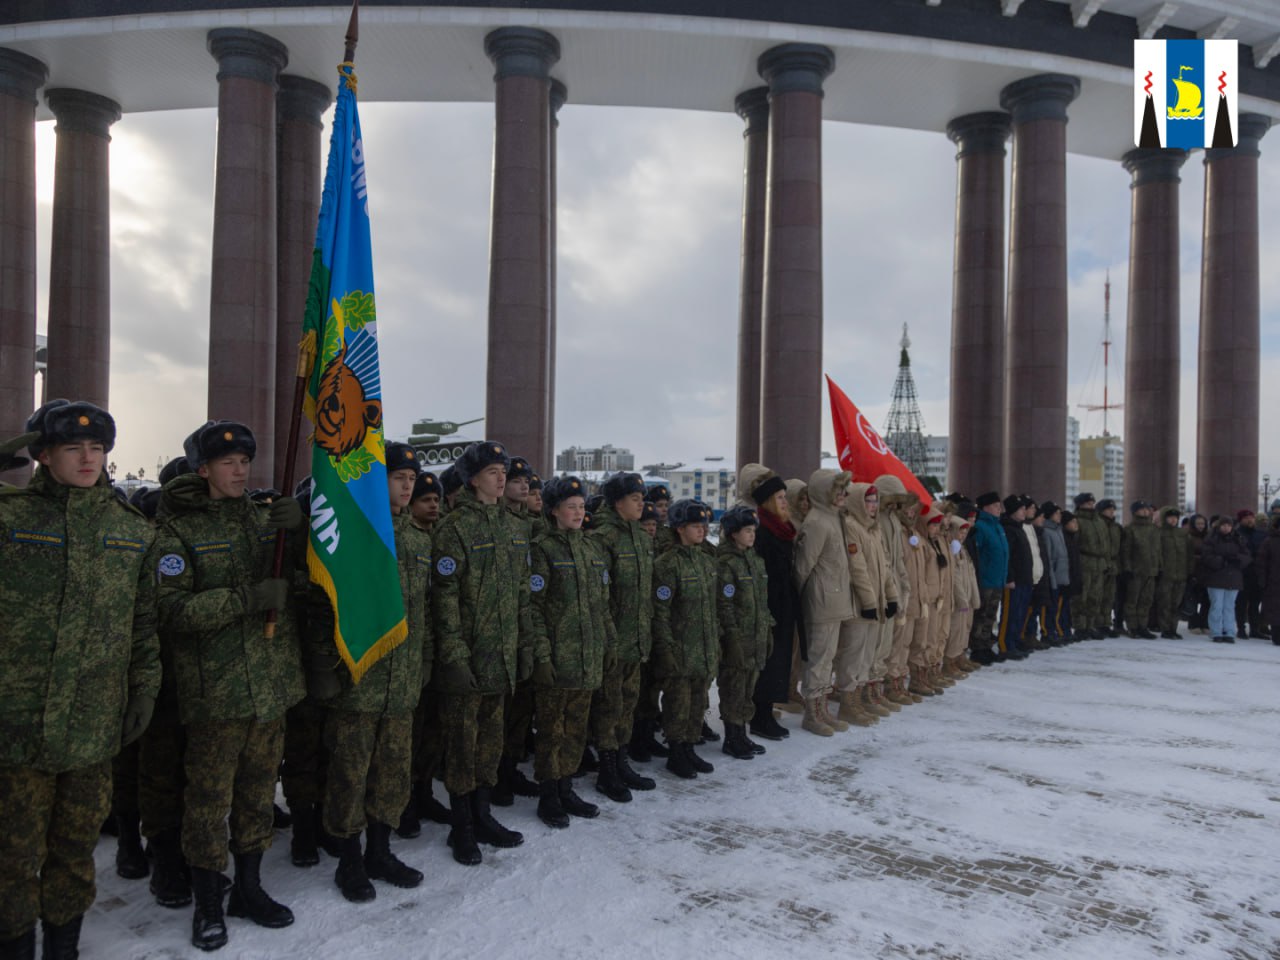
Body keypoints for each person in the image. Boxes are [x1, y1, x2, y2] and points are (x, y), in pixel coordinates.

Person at [0, 401, 160, 960]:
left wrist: (143, 688)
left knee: (74, 849)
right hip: (16, 722)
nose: (89, 458)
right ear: (42, 455)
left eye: (98, 448)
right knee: (11, 856)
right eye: (73, 448)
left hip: (93, 725)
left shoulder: (129, 531)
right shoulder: (11, 519)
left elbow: (143, 622)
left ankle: (62, 948)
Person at [155, 420, 307, 950]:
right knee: (207, 803)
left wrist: (301, 536)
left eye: (245, 461)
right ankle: (206, 902)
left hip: (269, 686)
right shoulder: (178, 532)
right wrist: (246, 598)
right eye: (228, 463)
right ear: (203, 469)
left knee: (259, 795)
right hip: (216, 693)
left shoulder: (266, 521)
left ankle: (249, 887)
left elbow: (302, 588)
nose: (240, 470)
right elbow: (171, 611)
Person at [310, 441, 431, 902]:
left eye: (410, 479)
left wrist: (425, 663)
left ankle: (381, 850)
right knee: (350, 773)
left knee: (393, 772)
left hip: (401, 682)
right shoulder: (352, 537)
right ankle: (350, 860)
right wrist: (325, 665)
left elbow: (426, 613)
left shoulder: (420, 538)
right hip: (360, 680)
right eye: (398, 478)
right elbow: (325, 607)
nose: (407, 486)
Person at [429, 441, 532, 866]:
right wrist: (453, 656)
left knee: (491, 742)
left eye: (503, 470)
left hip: (503, 657)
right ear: (472, 480)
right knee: (462, 744)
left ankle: (483, 814)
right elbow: (444, 598)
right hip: (469, 659)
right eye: (492, 471)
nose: (501, 477)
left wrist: (524, 645)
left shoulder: (514, 527)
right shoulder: (453, 530)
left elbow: (523, 593)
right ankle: (462, 827)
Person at [528, 476, 613, 828]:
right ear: (554, 511)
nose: (578, 513)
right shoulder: (543, 549)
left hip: (588, 656)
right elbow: (533, 609)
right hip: (558, 659)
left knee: (577, 727)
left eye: (581, 506)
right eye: (570, 507)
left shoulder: (591, 549)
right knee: (552, 729)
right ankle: (549, 793)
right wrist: (543, 656)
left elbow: (603, 603)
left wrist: (608, 641)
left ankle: (567, 786)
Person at [587, 472, 657, 800]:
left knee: (628, 704)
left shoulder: (641, 538)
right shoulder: (603, 538)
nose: (642, 503)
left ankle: (622, 761)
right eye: (635, 498)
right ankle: (607, 768)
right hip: (613, 640)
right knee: (609, 706)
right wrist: (608, 638)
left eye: (642, 498)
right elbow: (598, 596)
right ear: (617, 503)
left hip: (637, 638)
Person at [651, 499, 721, 777]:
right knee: (677, 703)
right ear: (680, 529)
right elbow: (660, 611)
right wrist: (666, 648)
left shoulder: (706, 562)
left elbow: (711, 607)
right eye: (695, 525)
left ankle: (690, 746)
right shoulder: (667, 564)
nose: (702, 530)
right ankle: (676, 751)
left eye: (704, 525)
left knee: (698, 702)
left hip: (702, 647)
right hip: (680, 647)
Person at [490, 455, 541, 808]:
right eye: (516, 480)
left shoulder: (529, 525)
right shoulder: (497, 522)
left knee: (519, 710)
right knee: (499, 715)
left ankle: (509, 767)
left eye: (527, 481)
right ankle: (495, 777)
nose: (524, 486)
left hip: (523, 628)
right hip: (495, 633)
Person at [792, 469, 855, 736]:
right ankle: (812, 713)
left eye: (844, 490)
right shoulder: (817, 522)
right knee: (818, 660)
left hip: (836, 601)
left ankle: (822, 709)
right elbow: (802, 567)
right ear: (823, 493)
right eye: (837, 490)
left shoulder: (834, 519)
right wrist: (798, 600)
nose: (843, 495)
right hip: (820, 603)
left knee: (827, 659)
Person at [745, 469, 800, 742]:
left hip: (784, 604)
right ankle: (759, 718)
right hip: (768, 606)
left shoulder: (783, 529)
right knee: (766, 664)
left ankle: (767, 713)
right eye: (779, 497)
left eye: (784, 497)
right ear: (767, 501)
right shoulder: (762, 532)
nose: (784, 502)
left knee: (778, 662)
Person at [715, 505, 774, 758]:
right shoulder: (726, 564)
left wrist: (767, 627)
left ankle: (743, 733)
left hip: (756, 635)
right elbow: (724, 605)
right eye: (747, 531)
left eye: (753, 530)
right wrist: (732, 637)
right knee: (733, 688)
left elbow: (762, 600)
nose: (752, 535)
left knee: (748, 688)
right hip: (738, 638)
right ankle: (732, 736)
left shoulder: (755, 560)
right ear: (732, 534)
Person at [838, 483, 898, 726]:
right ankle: (846, 702)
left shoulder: (874, 530)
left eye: (875, 501)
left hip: (876, 603)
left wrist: (891, 595)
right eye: (868, 501)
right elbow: (857, 567)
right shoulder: (851, 527)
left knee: (866, 653)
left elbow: (884, 566)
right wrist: (869, 600)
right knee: (853, 653)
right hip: (859, 603)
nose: (873, 506)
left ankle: (858, 699)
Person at [1197, 516, 1251, 643]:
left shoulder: (1238, 539)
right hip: (1216, 578)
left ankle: (1229, 632)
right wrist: (1222, 561)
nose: (1226, 528)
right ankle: (1216, 632)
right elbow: (1206, 556)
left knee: (1230, 606)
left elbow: (1247, 556)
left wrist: (1237, 560)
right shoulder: (1211, 539)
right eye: (1224, 525)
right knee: (1217, 605)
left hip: (1233, 577)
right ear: (1219, 526)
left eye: (1229, 525)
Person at [969, 492, 1009, 662]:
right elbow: (976, 554)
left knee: (991, 616)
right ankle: (977, 648)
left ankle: (985, 645)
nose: (999, 509)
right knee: (981, 615)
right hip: (985, 580)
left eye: (999, 506)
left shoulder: (998, 527)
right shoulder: (980, 527)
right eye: (995, 506)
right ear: (985, 507)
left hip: (997, 579)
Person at [998, 496, 1032, 660]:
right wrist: (1009, 577)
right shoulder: (1008, 529)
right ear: (1012, 512)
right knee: (1009, 614)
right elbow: (1008, 557)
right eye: (1021, 509)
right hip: (1014, 580)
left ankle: (1015, 640)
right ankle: (1005, 645)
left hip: (1024, 579)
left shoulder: (1019, 528)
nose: (1024, 512)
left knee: (1019, 613)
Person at [1120, 500, 1161, 639]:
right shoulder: (1130, 529)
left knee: (1146, 601)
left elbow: (1158, 550)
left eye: (1147, 509)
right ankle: (1133, 627)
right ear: (1135, 512)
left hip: (1151, 571)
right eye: (1141, 509)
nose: (1145, 511)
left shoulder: (1154, 529)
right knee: (1132, 600)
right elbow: (1126, 551)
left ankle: (1143, 626)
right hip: (1136, 571)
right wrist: (1127, 568)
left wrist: (1159, 567)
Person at [946, 516, 981, 674]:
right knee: (955, 631)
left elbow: (971, 575)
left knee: (964, 630)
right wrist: (962, 599)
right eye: (960, 532)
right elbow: (955, 578)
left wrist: (974, 597)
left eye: (965, 532)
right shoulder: (952, 550)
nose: (963, 535)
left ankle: (959, 657)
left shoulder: (963, 549)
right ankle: (949, 662)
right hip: (959, 600)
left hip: (967, 599)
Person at [1155, 506, 1193, 639]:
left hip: (1181, 574)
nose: (1173, 520)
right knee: (1165, 602)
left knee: (1176, 603)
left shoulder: (1182, 534)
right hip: (1166, 574)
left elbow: (1189, 554)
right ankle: (1165, 629)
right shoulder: (1159, 533)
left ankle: (1173, 628)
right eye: (1170, 517)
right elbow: (1157, 553)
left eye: (1175, 518)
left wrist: (1190, 571)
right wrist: (1159, 569)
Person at [1234, 510, 1268, 640]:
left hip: (1257, 573)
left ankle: (1255, 629)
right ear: (1241, 520)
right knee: (1241, 603)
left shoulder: (1260, 534)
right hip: (1242, 573)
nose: (1250, 520)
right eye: (1247, 518)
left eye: (1251, 518)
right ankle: (1241, 629)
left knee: (1255, 603)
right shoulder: (1236, 534)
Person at [1040, 502, 1069, 644]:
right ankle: (1047, 632)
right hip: (1054, 577)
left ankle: (1054, 631)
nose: (1060, 516)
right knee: (1049, 608)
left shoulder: (1059, 530)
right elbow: (1049, 558)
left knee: (1057, 607)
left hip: (1061, 576)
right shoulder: (1047, 531)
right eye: (1057, 513)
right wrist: (1052, 579)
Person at [1099, 499, 1124, 637]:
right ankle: (1097, 624)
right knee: (1098, 596)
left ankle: (1105, 624)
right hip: (1101, 564)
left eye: (1113, 509)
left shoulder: (1116, 527)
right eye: (1109, 509)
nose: (1112, 511)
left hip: (1113, 565)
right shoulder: (1098, 525)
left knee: (1109, 597)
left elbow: (1121, 548)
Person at [1255, 515, 1280, 646]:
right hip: (1273, 581)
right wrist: (1262, 580)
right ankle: (1277, 636)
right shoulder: (1270, 541)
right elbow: (1261, 563)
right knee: (1275, 610)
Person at [1185, 514, 1211, 635]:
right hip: (1193, 572)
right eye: (1198, 523)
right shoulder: (1188, 537)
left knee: (1207, 600)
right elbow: (1186, 555)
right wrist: (1200, 558)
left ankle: (1204, 623)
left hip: (1207, 572)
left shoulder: (1209, 537)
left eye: (1202, 523)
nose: (1200, 526)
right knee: (1193, 599)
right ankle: (1193, 623)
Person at [1060, 510, 1083, 641]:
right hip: (1065, 578)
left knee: (1067, 606)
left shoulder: (1072, 538)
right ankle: (1062, 630)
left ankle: (1067, 629)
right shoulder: (1064, 538)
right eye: (1072, 522)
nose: (1076, 524)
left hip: (1072, 577)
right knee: (1062, 607)